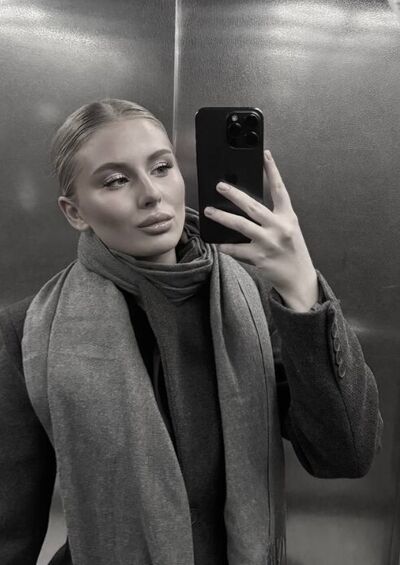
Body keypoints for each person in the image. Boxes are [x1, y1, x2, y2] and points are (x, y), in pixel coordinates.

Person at [0, 98, 382, 565]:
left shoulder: (256, 298)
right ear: (74, 211)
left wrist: (303, 288)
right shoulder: (27, 333)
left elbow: (346, 454)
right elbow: (10, 531)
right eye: (116, 180)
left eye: (161, 167)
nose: (151, 194)